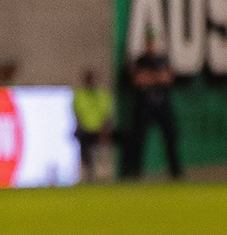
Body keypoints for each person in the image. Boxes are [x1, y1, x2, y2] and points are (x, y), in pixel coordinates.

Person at [121, 38, 182, 179]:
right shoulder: (140, 61)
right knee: (138, 139)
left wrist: (148, 77)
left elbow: (168, 78)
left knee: (171, 137)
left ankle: (176, 172)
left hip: (162, 104)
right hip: (144, 105)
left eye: (153, 43)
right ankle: (136, 172)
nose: (151, 46)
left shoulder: (163, 60)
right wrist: (156, 77)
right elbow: (138, 79)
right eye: (149, 43)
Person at [72, 69, 115, 181]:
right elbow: (77, 114)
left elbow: (107, 114)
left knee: (99, 153)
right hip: (85, 130)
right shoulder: (80, 94)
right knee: (86, 153)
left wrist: (105, 130)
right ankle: (89, 175)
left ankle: (102, 175)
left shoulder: (102, 95)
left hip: (99, 130)